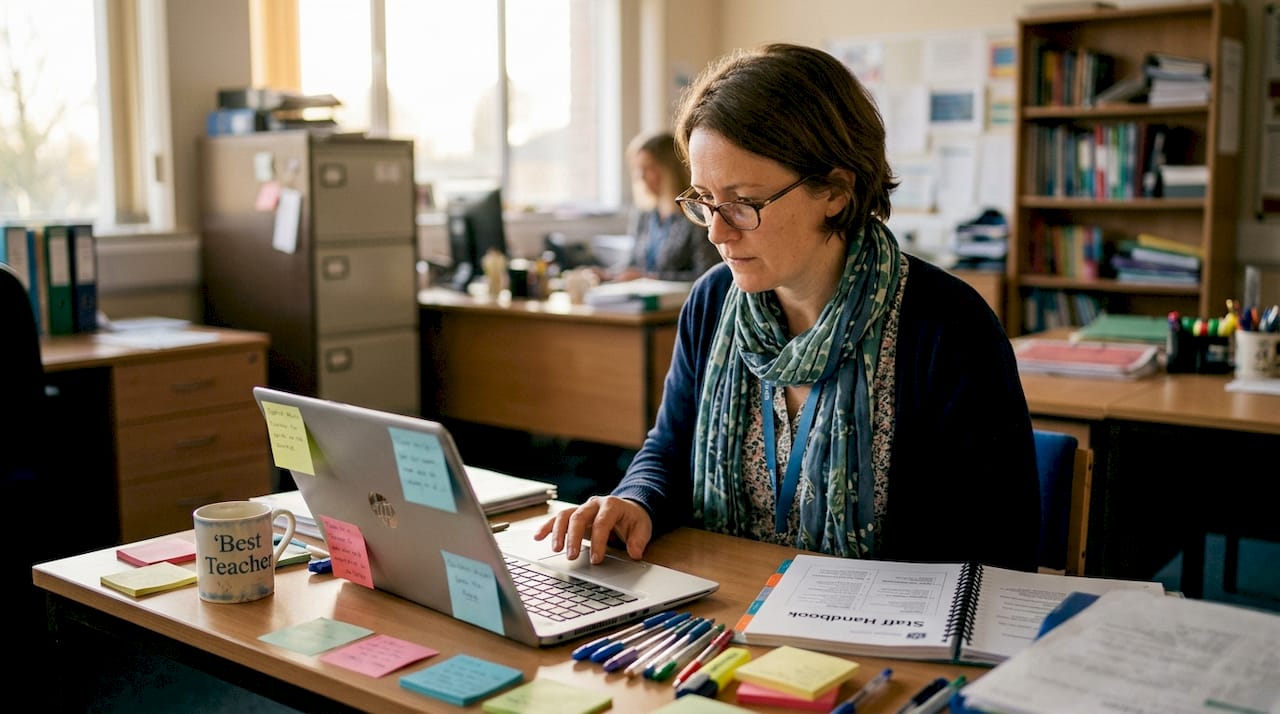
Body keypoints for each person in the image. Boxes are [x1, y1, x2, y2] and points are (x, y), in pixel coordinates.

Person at [536, 42, 1040, 571]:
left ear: (836, 190)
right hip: (728, 608)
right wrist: (634, 500)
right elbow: (668, 448)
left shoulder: (947, 326)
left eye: (743, 203)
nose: (716, 231)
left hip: (884, 634)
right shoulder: (712, 303)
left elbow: (1001, 545)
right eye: (704, 200)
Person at [607, 131, 722, 282]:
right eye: (638, 169)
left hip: (678, 303)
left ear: (670, 169)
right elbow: (633, 264)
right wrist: (606, 275)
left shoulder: (697, 212)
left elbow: (707, 274)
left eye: (648, 168)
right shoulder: (644, 215)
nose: (640, 176)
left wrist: (650, 277)